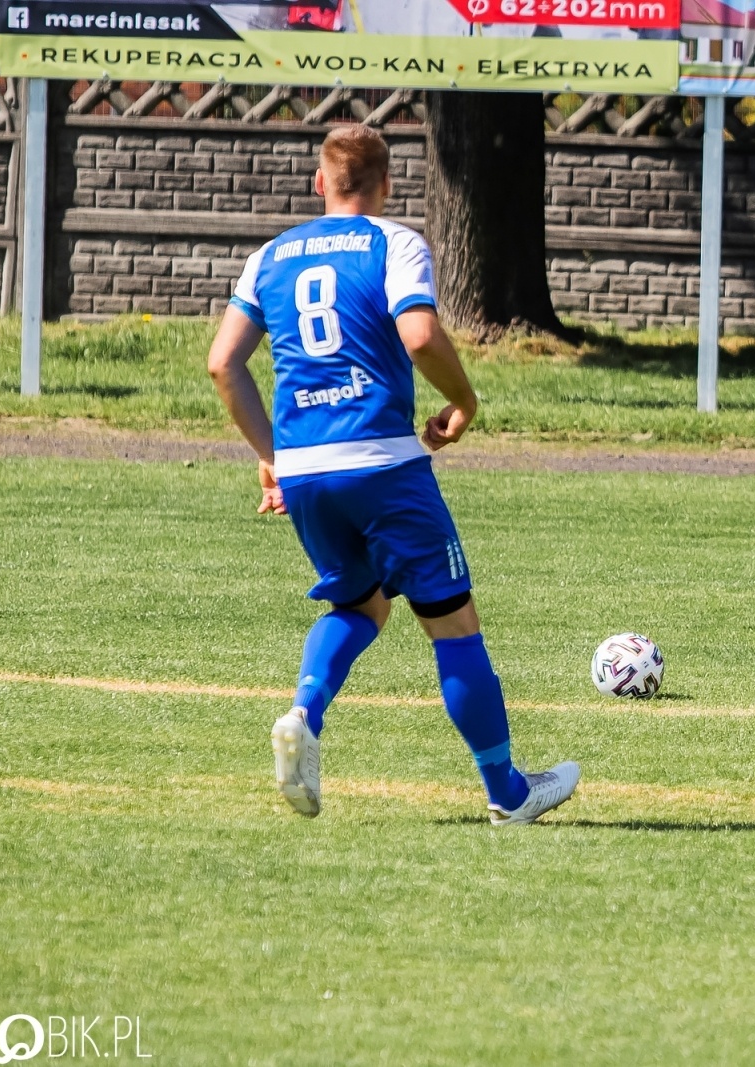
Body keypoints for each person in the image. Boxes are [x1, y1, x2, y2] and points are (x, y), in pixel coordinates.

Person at [206, 124, 580, 825]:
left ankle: (303, 712)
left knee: (362, 605)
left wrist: (272, 457)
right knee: (452, 623)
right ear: (386, 187)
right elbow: (419, 334)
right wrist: (464, 401)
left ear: (319, 182)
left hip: (310, 473)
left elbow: (224, 362)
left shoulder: (270, 255)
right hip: (383, 463)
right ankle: (507, 792)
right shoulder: (394, 242)